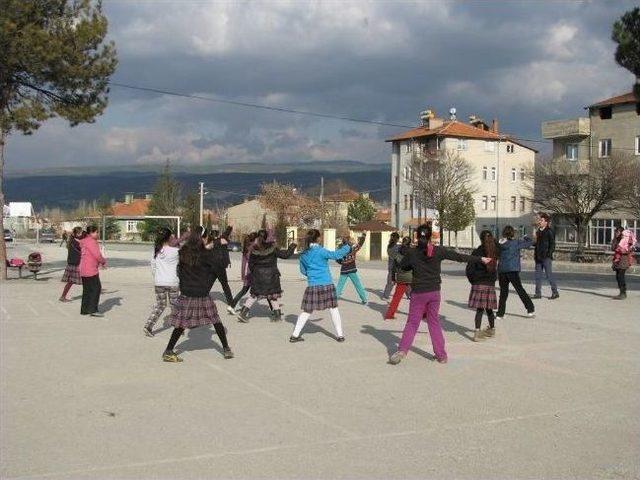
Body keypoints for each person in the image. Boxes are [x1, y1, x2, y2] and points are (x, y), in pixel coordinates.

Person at [388, 223, 491, 365]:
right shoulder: (438, 251)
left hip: (419, 293)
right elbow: (459, 257)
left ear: (416, 237)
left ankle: (402, 351)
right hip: (434, 292)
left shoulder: (412, 253)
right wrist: (480, 259)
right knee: (434, 322)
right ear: (430, 236)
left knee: (412, 323)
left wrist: (402, 257)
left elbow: (402, 266)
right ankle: (441, 355)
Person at [161, 232, 233, 362]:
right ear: (200, 241)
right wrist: (216, 243)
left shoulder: (182, 254)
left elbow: (181, 268)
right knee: (215, 320)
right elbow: (218, 263)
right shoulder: (206, 255)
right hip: (201, 293)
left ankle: (168, 350)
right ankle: (226, 348)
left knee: (181, 324)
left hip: (187, 293)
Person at [290, 229, 352, 342]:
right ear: (318, 238)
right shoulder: (321, 251)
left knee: (307, 311)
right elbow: (336, 255)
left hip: (313, 285)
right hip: (326, 283)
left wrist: (312, 274)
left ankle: (294, 335)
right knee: (333, 309)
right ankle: (340, 335)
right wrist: (347, 247)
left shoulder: (303, 254)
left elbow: (303, 271)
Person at [237, 229, 296, 323]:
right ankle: (277, 316)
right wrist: (292, 246)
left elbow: (251, 264)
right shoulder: (272, 248)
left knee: (254, 295)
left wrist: (255, 272)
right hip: (272, 276)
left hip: (258, 276)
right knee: (272, 295)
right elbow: (285, 255)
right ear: (266, 237)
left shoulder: (254, 249)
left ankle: (243, 313)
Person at [143, 227, 179, 337]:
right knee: (175, 305)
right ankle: (177, 326)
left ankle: (148, 325)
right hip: (172, 282)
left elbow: (153, 266)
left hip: (159, 282)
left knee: (160, 305)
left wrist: (158, 277)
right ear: (169, 238)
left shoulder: (156, 251)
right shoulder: (176, 251)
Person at [496, 225, 535, 320]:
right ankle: (530, 309)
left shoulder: (499, 243)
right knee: (520, 290)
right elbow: (530, 242)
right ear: (512, 233)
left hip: (502, 270)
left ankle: (500, 314)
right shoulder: (515, 243)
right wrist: (525, 236)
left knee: (503, 292)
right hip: (513, 270)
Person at [466, 230, 499, 341]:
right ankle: (492, 329)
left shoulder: (477, 252)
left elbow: (469, 269)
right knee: (489, 309)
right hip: (490, 283)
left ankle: (477, 332)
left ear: (480, 239)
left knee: (480, 310)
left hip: (478, 283)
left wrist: (473, 281)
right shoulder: (495, 252)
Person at [79, 225, 107, 317]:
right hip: (90, 269)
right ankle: (93, 309)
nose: (98, 234)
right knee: (96, 288)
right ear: (91, 233)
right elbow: (97, 255)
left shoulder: (84, 241)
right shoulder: (92, 242)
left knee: (87, 290)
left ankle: (85, 309)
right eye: (96, 232)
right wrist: (103, 261)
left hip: (83, 269)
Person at [204, 226, 235, 309]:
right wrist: (229, 227)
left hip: (212, 266)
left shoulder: (209, 243)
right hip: (220, 266)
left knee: (208, 285)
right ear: (218, 234)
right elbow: (226, 234)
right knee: (225, 285)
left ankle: (200, 300)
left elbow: (205, 250)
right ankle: (231, 303)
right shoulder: (221, 240)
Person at [384, 236, 413, 320]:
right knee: (416, 297)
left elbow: (394, 267)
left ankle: (390, 314)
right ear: (410, 243)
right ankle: (422, 313)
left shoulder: (397, 253)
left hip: (400, 278)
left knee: (396, 297)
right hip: (411, 278)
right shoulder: (412, 252)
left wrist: (393, 278)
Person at [335, 233, 367, 304]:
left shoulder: (340, 250)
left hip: (343, 270)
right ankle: (364, 299)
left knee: (340, 285)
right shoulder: (353, 248)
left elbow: (337, 259)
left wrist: (342, 262)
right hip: (352, 269)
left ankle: (335, 298)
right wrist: (364, 235)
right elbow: (360, 244)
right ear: (349, 241)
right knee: (358, 285)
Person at [533, 213, 559, 299]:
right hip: (538, 257)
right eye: (539, 220)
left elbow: (552, 244)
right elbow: (536, 244)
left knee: (549, 275)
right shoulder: (538, 231)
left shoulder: (549, 231)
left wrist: (549, 254)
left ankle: (555, 292)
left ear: (546, 222)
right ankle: (538, 293)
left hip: (546, 257)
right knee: (537, 276)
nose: (540, 222)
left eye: (541, 220)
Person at [611, 226, 637, 300]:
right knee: (618, 276)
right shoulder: (617, 240)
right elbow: (613, 248)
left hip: (624, 260)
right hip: (617, 260)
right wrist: (615, 240)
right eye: (616, 232)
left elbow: (629, 249)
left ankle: (623, 293)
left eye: (618, 232)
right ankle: (621, 292)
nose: (616, 233)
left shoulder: (626, 239)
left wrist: (624, 250)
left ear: (621, 233)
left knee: (620, 276)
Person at [59, 227, 83, 302]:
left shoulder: (71, 241)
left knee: (70, 281)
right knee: (85, 279)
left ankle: (63, 296)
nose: (81, 234)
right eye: (80, 233)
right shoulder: (76, 242)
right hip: (76, 264)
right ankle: (92, 293)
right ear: (76, 234)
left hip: (71, 263)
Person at [382, 232, 400, 300]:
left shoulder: (389, 246)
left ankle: (386, 295)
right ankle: (410, 294)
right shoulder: (398, 247)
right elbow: (399, 257)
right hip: (397, 267)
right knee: (405, 282)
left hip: (391, 267)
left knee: (390, 282)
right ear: (397, 239)